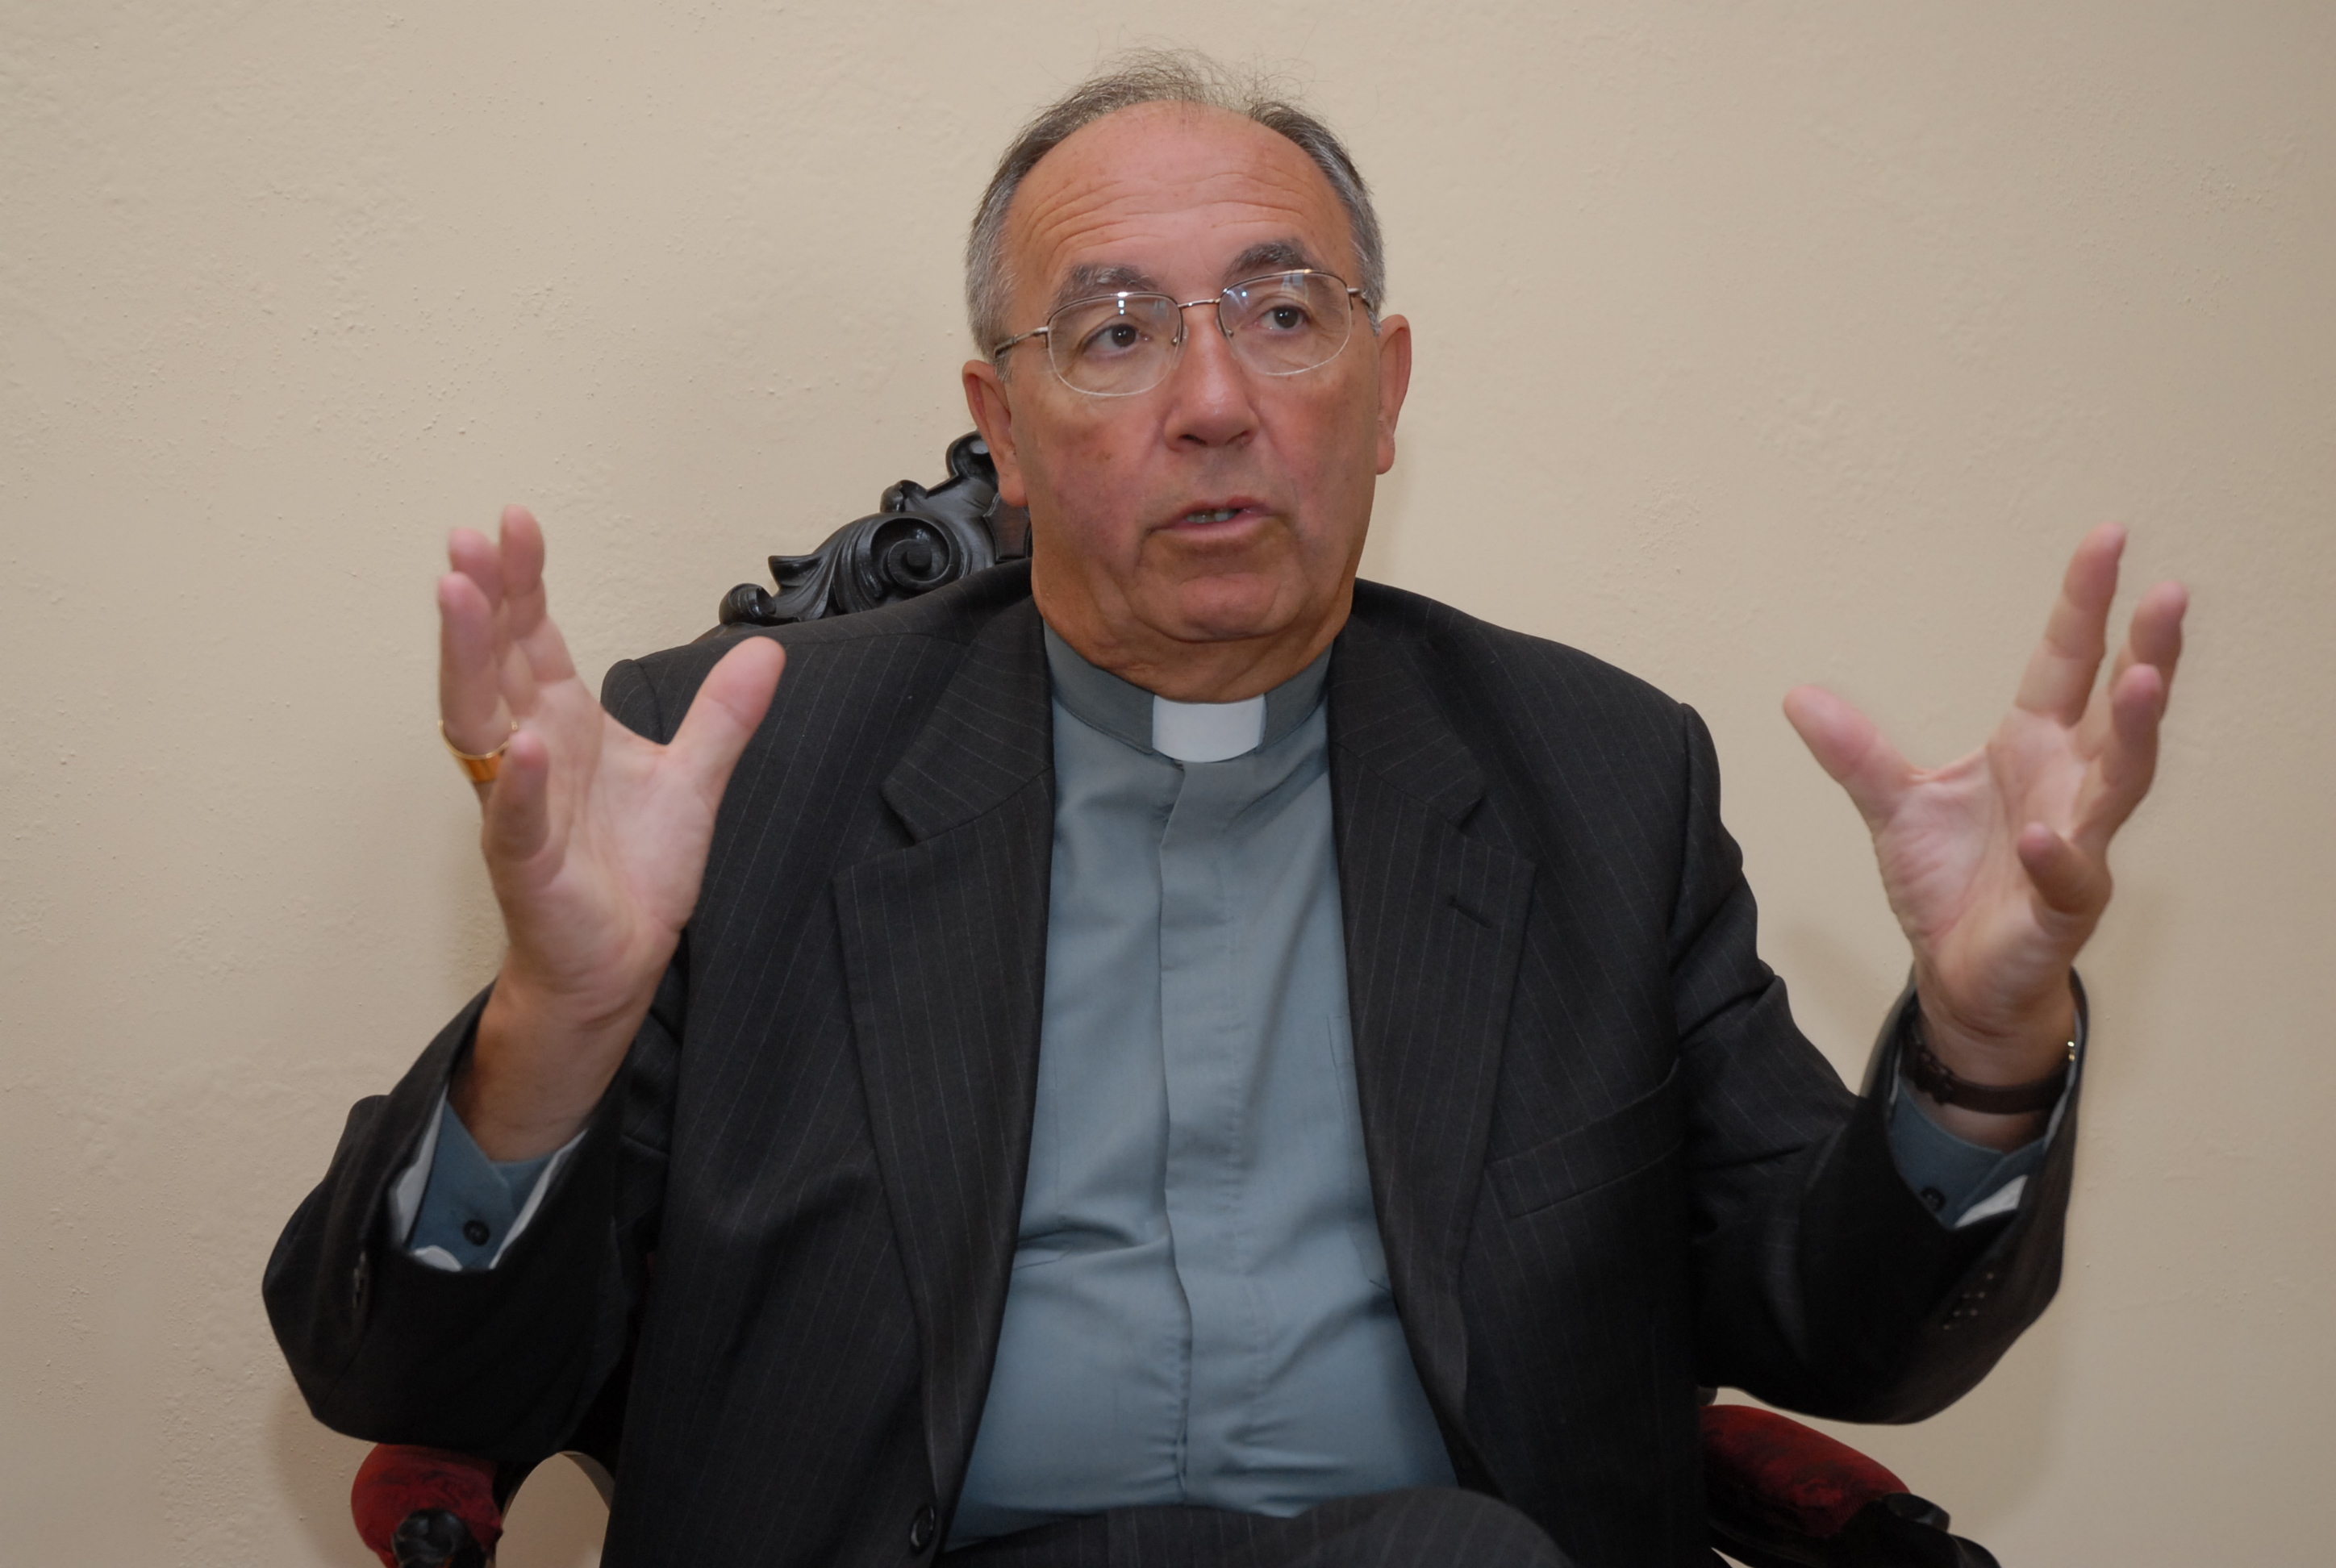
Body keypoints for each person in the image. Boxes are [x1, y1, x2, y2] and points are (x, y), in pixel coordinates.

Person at [265, 53, 2187, 1568]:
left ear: (1383, 387)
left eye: (1282, 313)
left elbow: (1845, 1337)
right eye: (1112, 332)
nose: (1210, 400)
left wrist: (1981, 1046)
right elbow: (406, 1381)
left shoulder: (1597, 776)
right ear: (1003, 432)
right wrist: (557, 1025)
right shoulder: (739, 770)